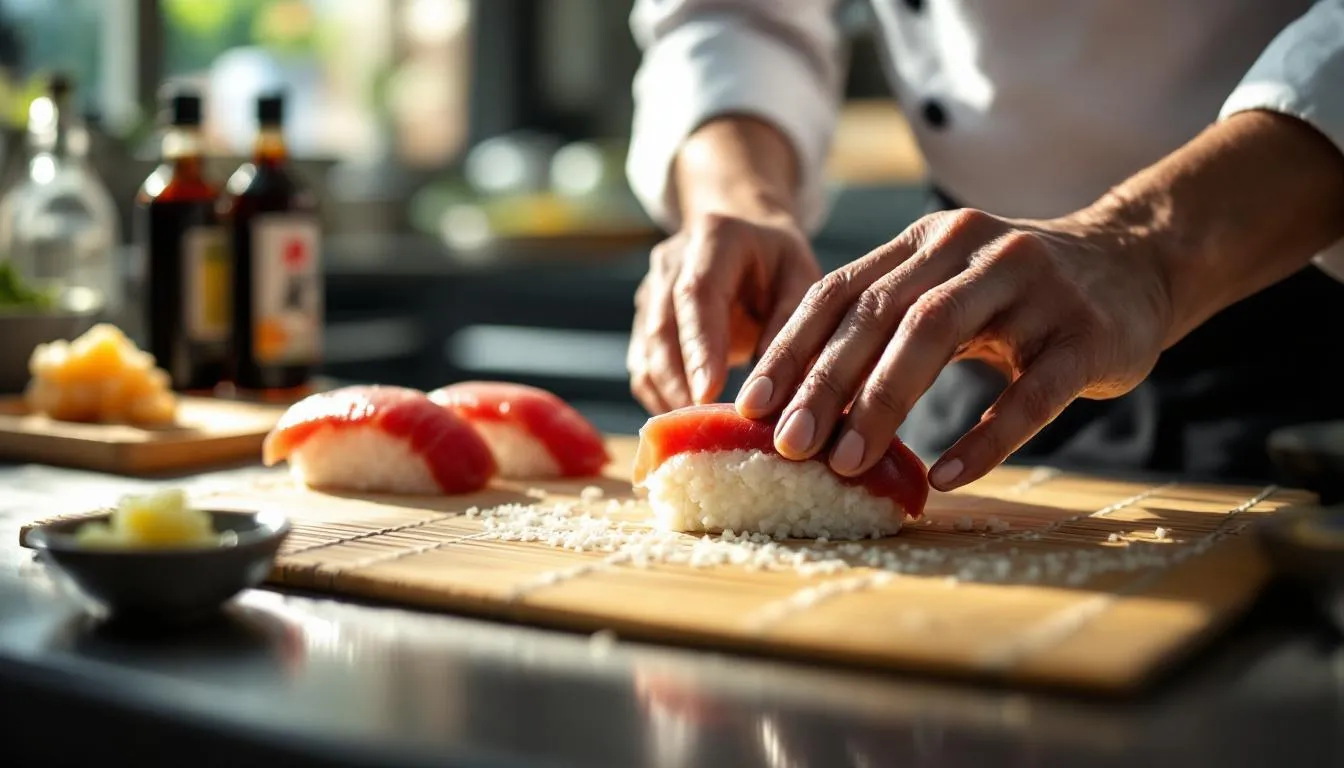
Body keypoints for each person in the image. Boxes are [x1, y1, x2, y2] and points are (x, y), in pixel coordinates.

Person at [622, 0, 1344, 492]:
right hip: (965, 329)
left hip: (1293, 303)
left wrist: (1141, 247)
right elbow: (734, 15)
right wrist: (738, 197)